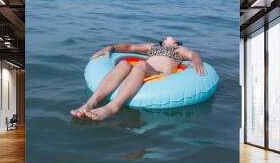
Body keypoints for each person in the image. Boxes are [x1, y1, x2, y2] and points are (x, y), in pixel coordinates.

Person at [71, 36, 205, 120]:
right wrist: (111, 47)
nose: (165, 40)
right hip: (144, 69)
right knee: (123, 64)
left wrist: (197, 61)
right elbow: (130, 47)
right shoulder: (154, 47)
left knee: (141, 64)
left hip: (158, 74)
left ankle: (112, 107)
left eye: (169, 39)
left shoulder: (178, 50)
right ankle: (90, 103)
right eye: (163, 39)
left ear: (176, 43)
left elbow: (193, 54)